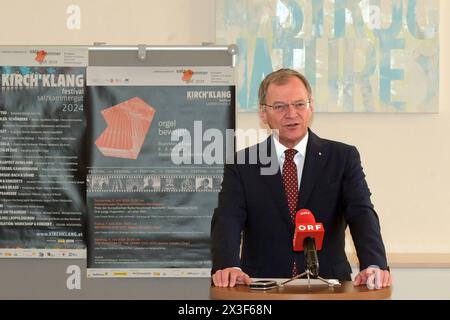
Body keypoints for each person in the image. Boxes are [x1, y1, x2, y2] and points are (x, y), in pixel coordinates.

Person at [210, 68, 392, 289]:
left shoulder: (342, 158)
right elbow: (227, 219)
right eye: (280, 106)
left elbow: (361, 212)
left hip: (329, 286)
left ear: (310, 107)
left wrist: (373, 263)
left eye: (299, 104)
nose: (291, 114)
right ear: (262, 113)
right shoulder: (242, 164)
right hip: (263, 287)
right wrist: (229, 266)